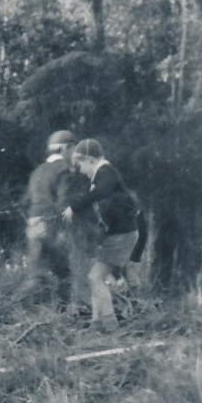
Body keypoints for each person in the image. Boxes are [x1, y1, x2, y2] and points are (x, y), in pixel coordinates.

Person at [64, 138, 140, 330]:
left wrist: (74, 206)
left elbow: (101, 192)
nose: (80, 170)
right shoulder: (102, 177)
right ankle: (96, 324)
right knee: (94, 277)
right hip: (119, 235)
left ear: (90, 159)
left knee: (96, 278)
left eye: (80, 164)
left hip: (122, 235)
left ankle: (110, 324)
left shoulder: (106, 172)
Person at [18, 130, 85, 306]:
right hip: (52, 224)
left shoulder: (38, 171)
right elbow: (64, 201)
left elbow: (26, 200)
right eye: (73, 149)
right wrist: (62, 229)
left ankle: (21, 307)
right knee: (64, 273)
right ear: (66, 148)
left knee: (37, 272)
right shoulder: (64, 170)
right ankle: (67, 314)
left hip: (34, 223)